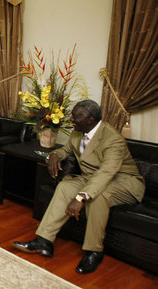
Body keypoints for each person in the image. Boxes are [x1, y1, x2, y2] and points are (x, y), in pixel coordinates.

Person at [12, 100, 145, 274]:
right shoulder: (78, 132)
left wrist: (80, 197)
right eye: (73, 114)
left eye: (76, 116)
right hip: (92, 178)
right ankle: (44, 241)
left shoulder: (113, 139)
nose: (71, 119)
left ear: (91, 119)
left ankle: (94, 251)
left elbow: (106, 172)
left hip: (123, 181)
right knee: (65, 187)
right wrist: (53, 155)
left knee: (98, 198)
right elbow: (65, 150)